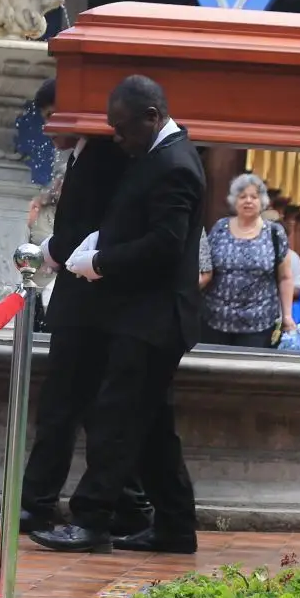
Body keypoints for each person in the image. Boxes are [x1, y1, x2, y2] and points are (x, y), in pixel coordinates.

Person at [30, 75, 205, 555]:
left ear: (153, 116)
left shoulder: (175, 164)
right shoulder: (155, 156)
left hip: (155, 318)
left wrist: (101, 261)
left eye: (124, 128)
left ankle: (91, 520)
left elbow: (166, 245)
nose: (119, 138)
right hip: (145, 316)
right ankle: (175, 526)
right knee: (151, 428)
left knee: (115, 418)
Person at [0, 79, 145, 536]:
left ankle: (97, 504)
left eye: (54, 115)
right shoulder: (83, 155)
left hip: (92, 300)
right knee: (69, 407)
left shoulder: (104, 157)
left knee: (74, 407)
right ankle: (45, 501)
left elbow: (90, 227)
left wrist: (48, 252)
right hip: (77, 299)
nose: (49, 127)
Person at [196, 174, 295, 349]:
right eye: (242, 197)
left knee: (249, 374)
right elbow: (205, 268)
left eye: (253, 197)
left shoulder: (274, 233)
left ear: (262, 201)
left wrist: (287, 316)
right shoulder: (220, 228)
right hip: (215, 319)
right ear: (234, 201)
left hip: (259, 323)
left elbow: (285, 277)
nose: (248, 201)